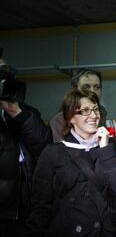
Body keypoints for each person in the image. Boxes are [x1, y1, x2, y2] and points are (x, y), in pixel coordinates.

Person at [25, 90, 116, 237]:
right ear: (71, 117)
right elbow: (41, 204)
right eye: (85, 111)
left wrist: (106, 148)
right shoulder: (53, 153)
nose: (94, 116)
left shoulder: (110, 148)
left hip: (109, 231)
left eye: (95, 109)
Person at [0, 53, 52, 237]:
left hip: (23, 210)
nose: (4, 79)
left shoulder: (25, 112)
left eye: (6, 73)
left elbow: (45, 149)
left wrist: (17, 113)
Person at [50, 68, 107, 142]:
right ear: (75, 90)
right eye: (86, 87)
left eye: (97, 87)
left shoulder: (101, 111)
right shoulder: (60, 119)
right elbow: (62, 151)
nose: (92, 91)